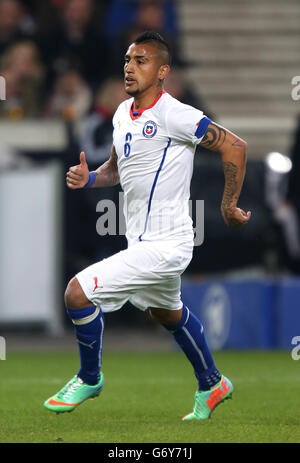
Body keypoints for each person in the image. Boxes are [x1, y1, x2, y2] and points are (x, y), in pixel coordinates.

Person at [44, 31, 251, 420]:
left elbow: (234, 146)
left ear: (162, 71)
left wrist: (228, 205)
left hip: (168, 243)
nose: (129, 67)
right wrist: (90, 178)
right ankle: (212, 382)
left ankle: (90, 378)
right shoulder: (123, 113)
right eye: (127, 60)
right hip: (140, 239)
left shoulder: (175, 114)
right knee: (165, 313)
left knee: (76, 293)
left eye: (141, 60)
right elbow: (118, 170)